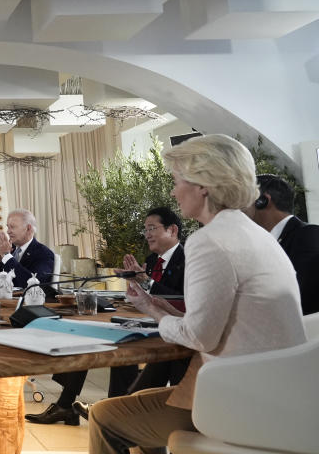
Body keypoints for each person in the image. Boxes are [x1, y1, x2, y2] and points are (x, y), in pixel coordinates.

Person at [88, 135, 306, 454]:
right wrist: (161, 309)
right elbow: (231, 321)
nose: (174, 191)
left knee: (105, 416)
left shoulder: (210, 240)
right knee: (135, 403)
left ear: (202, 185)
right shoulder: (257, 235)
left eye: (176, 181)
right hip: (282, 393)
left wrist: (156, 313)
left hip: (244, 402)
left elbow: (200, 337)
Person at [27, 207, 189, 426]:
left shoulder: (187, 258)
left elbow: (183, 299)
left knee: (122, 346)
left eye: (152, 228)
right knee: (91, 335)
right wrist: (134, 285)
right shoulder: (152, 260)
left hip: (172, 326)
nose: (147, 234)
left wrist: (145, 283)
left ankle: (113, 409)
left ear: (172, 230)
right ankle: (73, 405)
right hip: (145, 319)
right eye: (145, 230)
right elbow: (147, 294)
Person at [248, 174, 319, 314]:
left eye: (244, 201)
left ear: (262, 201)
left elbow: (299, 295)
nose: (239, 209)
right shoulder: (263, 245)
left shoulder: (309, 234)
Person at [0, 208, 54, 288]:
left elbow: (33, 285)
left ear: (28, 228)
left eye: (12, 227)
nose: (8, 231)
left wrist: (6, 255)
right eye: (8, 227)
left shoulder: (44, 254)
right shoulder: (8, 249)